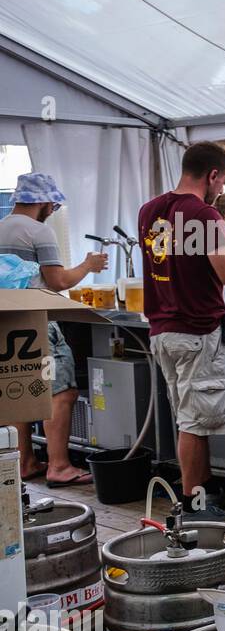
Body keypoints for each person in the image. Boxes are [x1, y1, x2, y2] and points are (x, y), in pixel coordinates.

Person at [138, 141, 225, 523]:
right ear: (212, 174)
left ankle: (203, 496)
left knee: (188, 417)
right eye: (223, 181)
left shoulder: (149, 211)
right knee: (195, 423)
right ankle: (195, 505)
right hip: (196, 329)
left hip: (162, 328)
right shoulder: (203, 215)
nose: (222, 189)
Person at [0, 173, 107, 486]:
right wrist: (88, 265)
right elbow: (58, 282)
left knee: (17, 389)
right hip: (38, 320)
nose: (54, 209)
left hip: (7, 322)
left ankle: (25, 461)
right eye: (53, 204)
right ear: (44, 201)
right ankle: (59, 466)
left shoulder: (1, 226)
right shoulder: (38, 231)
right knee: (62, 391)